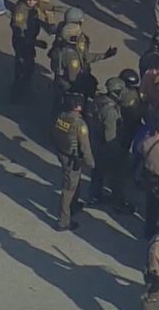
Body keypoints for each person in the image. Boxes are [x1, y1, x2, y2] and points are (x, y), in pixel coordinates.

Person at [87, 77, 134, 213]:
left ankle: (94, 196)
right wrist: (119, 152)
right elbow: (110, 136)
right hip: (107, 147)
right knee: (118, 175)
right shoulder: (111, 112)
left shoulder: (99, 101)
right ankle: (118, 203)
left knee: (97, 172)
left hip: (95, 142)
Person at [51, 92, 94, 232]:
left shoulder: (61, 117)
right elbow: (85, 145)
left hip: (62, 153)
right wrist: (91, 163)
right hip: (72, 158)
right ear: (77, 107)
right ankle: (63, 221)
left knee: (74, 181)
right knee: (68, 189)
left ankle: (73, 205)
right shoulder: (79, 124)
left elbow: (55, 134)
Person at [10, 0, 46, 100]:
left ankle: (23, 90)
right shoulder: (20, 10)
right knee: (23, 68)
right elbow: (19, 30)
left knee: (28, 67)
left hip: (29, 41)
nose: (31, 2)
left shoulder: (32, 7)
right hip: (22, 43)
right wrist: (36, 43)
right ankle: (17, 95)